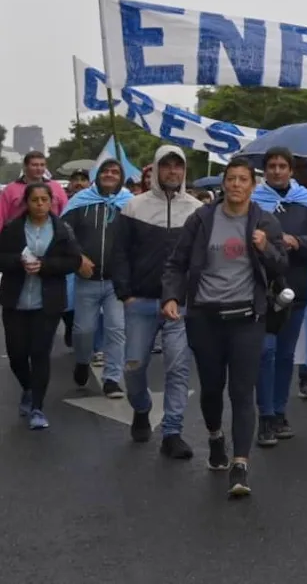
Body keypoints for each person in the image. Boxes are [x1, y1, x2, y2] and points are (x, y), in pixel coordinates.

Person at [162, 157, 288, 498]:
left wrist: (265, 248)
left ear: (252, 185)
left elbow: (280, 267)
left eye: (242, 179)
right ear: (223, 183)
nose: (235, 185)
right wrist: (172, 297)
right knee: (212, 389)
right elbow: (177, 262)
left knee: (242, 391)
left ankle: (241, 464)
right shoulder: (202, 219)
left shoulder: (264, 220)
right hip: (205, 317)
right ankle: (216, 436)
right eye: (231, 179)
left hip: (247, 318)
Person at [111, 145, 203, 458]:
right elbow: (119, 252)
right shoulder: (133, 207)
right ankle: (141, 407)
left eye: (178, 167)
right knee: (134, 367)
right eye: (167, 166)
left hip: (180, 303)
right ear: (156, 169)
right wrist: (125, 293)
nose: (173, 172)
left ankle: (172, 432)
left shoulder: (196, 209)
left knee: (178, 367)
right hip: (141, 301)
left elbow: (201, 257)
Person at [251, 147, 307, 443]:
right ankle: (264, 416)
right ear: (264, 170)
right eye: (271, 166)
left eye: (282, 166)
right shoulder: (252, 201)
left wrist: (298, 242)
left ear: (291, 170)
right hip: (259, 288)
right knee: (265, 353)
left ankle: (279, 411)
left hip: (296, 288)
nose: (276, 171)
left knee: (285, 354)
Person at [0, 182, 82, 429]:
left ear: (51, 202)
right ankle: (28, 387)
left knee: (39, 353)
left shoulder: (62, 229)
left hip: (47, 303)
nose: (39, 205)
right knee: (16, 355)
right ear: (27, 203)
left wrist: (45, 265)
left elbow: (74, 260)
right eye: (34, 200)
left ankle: (37, 406)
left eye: (44, 200)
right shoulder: (13, 229)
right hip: (15, 302)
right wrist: (18, 262)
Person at [62, 157, 132, 399]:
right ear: (98, 175)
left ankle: (112, 379)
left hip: (116, 282)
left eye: (115, 171)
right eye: (106, 171)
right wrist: (78, 257)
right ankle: (82, 361)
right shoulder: (80, 201)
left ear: (121, 177)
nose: (110, 174)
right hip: (86, 279)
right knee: (83, 330)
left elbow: (139, 236)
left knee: (116, 329)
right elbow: (64, 233)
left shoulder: (129, 203)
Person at [0, 151, 68, 223]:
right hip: (18, 232)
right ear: (25, 167)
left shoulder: (56, 187)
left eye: (42, 165)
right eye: (35, 165)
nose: (39, 168)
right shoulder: (10, 190)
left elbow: (66, 213)